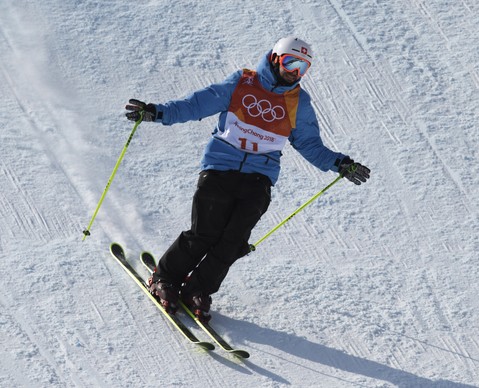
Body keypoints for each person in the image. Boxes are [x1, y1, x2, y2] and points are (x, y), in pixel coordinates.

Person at [125, 37, 370, 321]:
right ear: (277, 58)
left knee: (233, 242)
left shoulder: (298, 102)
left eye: (303, 68)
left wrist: (340, 163)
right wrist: (159, 112)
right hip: (220, 167)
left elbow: (309, 144)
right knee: (205, 232)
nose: (295, 72)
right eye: (291, 62)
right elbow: (196, 105)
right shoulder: (242, 83)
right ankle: (165, 277)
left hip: (259, 178)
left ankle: (197, 289)